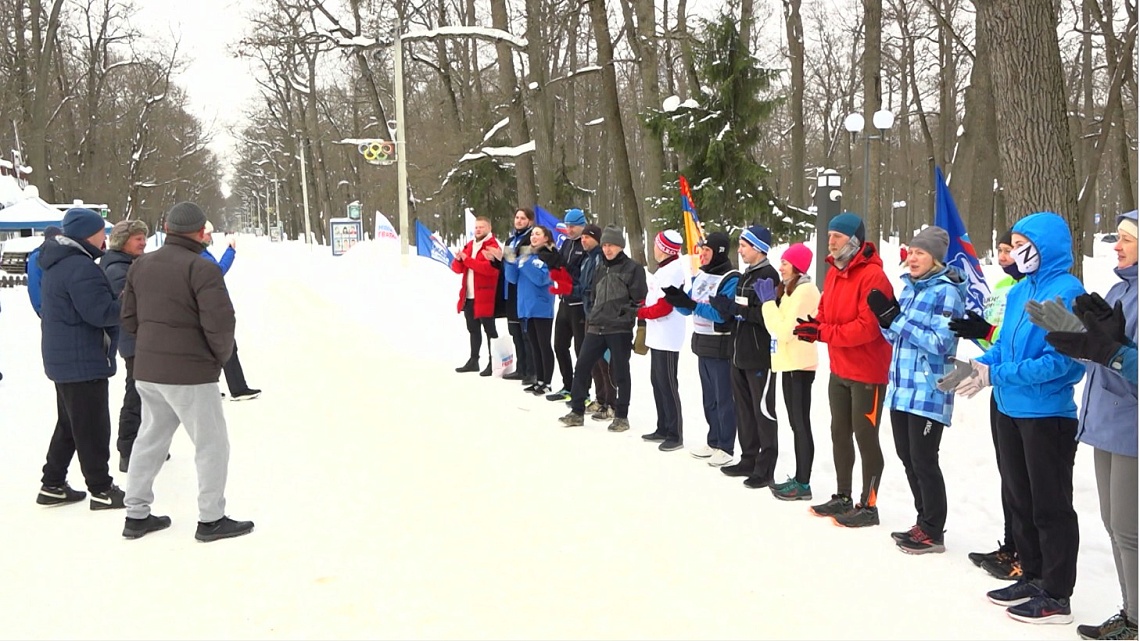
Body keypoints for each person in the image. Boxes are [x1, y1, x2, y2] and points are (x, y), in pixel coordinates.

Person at [952, 212, 1086, 624]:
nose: (1016, 251)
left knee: (1051, 505)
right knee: (1020, 499)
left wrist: (999, 374)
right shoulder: (1017, 291)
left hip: (1046, 415)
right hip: (1010, 410)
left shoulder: (1068, 292)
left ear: (1044, 247)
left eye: (1023, 244)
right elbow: (1005, 347)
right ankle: (1031, 575)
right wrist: (977, 366)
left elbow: (1066, 365)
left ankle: (1056, 593)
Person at [1030, 210, 1138, 639]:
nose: (1117, 245)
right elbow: (1099, 358)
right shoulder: (1116, 289)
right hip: (1105, 421)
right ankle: (1130, 613)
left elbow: (1117, 357)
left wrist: (1110, 350)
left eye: (1128, 239)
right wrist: (1078, 340)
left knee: (1131, 529)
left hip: (1132, 428)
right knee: (1115, 526)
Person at [120, 201, 253, 541]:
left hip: (148, 371)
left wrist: (151, 347)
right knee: (211, 444)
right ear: (199, 233)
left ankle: (135, 514)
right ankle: (211, 519)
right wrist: (216, 359)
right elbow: (221, 323)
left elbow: (129, 318)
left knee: (149, 439)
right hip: (190, 373)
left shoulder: (141, 265)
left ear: (166, 229)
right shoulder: (202, 268)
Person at [870, 227, 965, 554]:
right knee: (907, 456)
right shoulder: (909, 288)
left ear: (935, 258)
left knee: (924, 459)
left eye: (920, 253)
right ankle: (922, 520)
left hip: (929, 390)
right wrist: (885, 321)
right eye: (910, 251)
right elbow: (896, 340)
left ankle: (933, 530)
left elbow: (941, 342)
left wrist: (896, 321)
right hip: (901, 389)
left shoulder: (947, 293)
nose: (912, 257)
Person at [794, 212, 891, 528]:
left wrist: (822, 333)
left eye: (836, 236)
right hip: (840, 369)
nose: (830, 241)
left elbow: (868, 328)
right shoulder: (834, 272)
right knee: (839, 432)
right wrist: (814, 325)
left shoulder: (874, 277)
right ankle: (843, 495)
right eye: (829, 236)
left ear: (853, 241)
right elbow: (824, 312)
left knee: (866, 436)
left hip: (868, 371)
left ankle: (869, 504)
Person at [35, 208, 125, 510]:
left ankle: (53, 484)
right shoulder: (80, 267)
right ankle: (101, 489)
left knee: (71, 424)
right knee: (92, 426)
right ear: (88, 234)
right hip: (82, 359)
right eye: (102, 231)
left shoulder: (60, 263)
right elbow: (99, 313)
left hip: (65, 358)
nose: (106, 237)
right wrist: (127, 301)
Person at [949, 230, 1025, 579]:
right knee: (1008, 476)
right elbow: (997, 337)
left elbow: (1021, 343)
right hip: (1001, 387)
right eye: (1002, 250)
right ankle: (1012, 544)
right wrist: (979, 363)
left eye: (1012, 250)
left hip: (1025, 394)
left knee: (1025, 482)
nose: (1006, 256)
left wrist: (989, 334)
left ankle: (1025, 553)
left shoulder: (1031, 292)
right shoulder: (1002, 289)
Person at [708, 226, 781, 489]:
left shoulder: (769, 276)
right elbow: (739, 310)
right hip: (738, 353)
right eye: (739, 245)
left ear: (759, 248)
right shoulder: (744, 276)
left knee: (763, 412)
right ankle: (748, 458)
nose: (739, 250)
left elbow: (766, 317)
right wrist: (725, 309)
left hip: (759, 355)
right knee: (744, 410)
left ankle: (766, 467)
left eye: (744, 246)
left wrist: (738, 310)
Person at [560, 225, 647, 431]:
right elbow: (592, 293)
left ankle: (621, 415)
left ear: (621, 246)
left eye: (612, 245)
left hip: (619, 329)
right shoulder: (600, 266)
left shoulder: (633, 268)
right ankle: (577, 410)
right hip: (596, 325)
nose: (608, 249)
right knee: (582, 366)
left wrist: (625, 316)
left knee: (620, 372)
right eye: (605, 245)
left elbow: (640, 300)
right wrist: (592, 314)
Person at [665, 232, 739, 467]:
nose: (702, 254)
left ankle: (726, 446)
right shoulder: (701, 276)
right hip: (702, 342)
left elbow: (722, 315)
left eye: (706, 250)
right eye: (700, 250)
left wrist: (692, 305)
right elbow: (689, 308)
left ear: (718, 252)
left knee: (723, 397)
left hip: (721, 344)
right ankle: (714, 439)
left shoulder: (731, 277)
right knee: (709, 398)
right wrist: (678, 300)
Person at [760, 243, 820, 500]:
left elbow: (785, 331)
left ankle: (803, 482)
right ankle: (799, 478)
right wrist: (774, 302)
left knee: (800, 424)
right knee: (796, 423)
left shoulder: (805, 291)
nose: (780, 266)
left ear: (797, 266)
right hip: (789, 363)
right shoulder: (790, 291)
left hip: (800, 364)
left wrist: (767, 305)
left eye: (785, 262)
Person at [101, 219, 151, 473]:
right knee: (136, 393)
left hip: (145, 338)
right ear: (123, 242)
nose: (143, 242)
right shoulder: (118, 269)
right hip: (134, 340)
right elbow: (128, 306)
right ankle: (128, 450)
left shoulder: (131, 264)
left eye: (144, 237)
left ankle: (145, 445)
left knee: (150, 394)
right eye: (137, 238)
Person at [637, 230, 688, 451]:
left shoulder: (674, 271)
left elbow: (665, 305)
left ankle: (675, 433)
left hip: (668, 334)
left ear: (664, 249)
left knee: (668, 383)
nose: (653, 249)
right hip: (657, 335)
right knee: (657, 381)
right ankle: (663, 425)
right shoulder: (663, 270)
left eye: (657, 246)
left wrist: (643, 313)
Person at [200, 221, 260, 401]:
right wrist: (230, 251)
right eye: (208, 234)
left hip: (210, 309)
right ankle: (237, 388)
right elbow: (217, 272)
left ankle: (210, 389)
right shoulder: (199, 255)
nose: (211, 238)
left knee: (213, 349)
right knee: (226, 348)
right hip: (210, 310)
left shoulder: (199, 253)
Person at [517, 225, 571, 396]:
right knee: (534, 345)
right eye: (532, 234)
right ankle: (538, 380)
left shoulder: (550, 256)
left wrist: (524, 264)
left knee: (544, 345)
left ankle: (547, 382)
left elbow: (542, 278)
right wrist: (513, 261)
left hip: (542, 306)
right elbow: (512, 276)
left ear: (546, 238)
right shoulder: (527, 254)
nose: (533, 237)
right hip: (527, 306)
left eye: (537, 234)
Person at [574, 224, 619, 420]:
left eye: (588, 237)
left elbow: (599, 288)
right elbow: (585, 286)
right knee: (591, 361)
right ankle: (601, 398)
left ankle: (611, 402)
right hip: (589, 314)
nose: (583, 240)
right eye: (582, 237)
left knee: (605, 362)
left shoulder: (601, 258)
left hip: (603, 317)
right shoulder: (587, 259)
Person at [488, 207, 536, 385]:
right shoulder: (510, 239)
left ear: (530, 221)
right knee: (515, 331)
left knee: (526, 334)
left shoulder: (531, 238)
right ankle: (521, 368)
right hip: (509, 290)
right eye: (517, 217)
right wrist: (496, 260)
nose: (519, 221)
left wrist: (505, 256)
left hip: (522, 290)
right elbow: (506, 265)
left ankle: (532, 371)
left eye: (523, 218)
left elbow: (521, 260)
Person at [451, 215, 502, 376]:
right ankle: (474, 360)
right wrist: (460, 260)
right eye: (476, 227)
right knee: (473, 329)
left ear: (489, 228)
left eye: (482, 227)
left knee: (490, 330)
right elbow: (457, 269)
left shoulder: (492, 246)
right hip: (469, 295)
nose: (478, 230)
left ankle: (494, 361)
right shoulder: (470, 245)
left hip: (485, 294)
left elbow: (489, 270)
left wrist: (467, 260)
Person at [548, 208, 589, 401]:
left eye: (573, 226)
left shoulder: (585, 244)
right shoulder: (566, 243)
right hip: (564, 301)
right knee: (559, 345)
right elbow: (562, 265)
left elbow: (581, 274)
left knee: (581, 350)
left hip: (579, 304)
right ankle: (568, 385)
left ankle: (583, 390)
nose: (570, 229)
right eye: (567, 226)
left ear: (582, 225)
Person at [26, 225, 61, 318]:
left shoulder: (36, 256)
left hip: (55, 307)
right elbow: (34, 283)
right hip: (50, 307)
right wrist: (40, 308)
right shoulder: (37, 257)